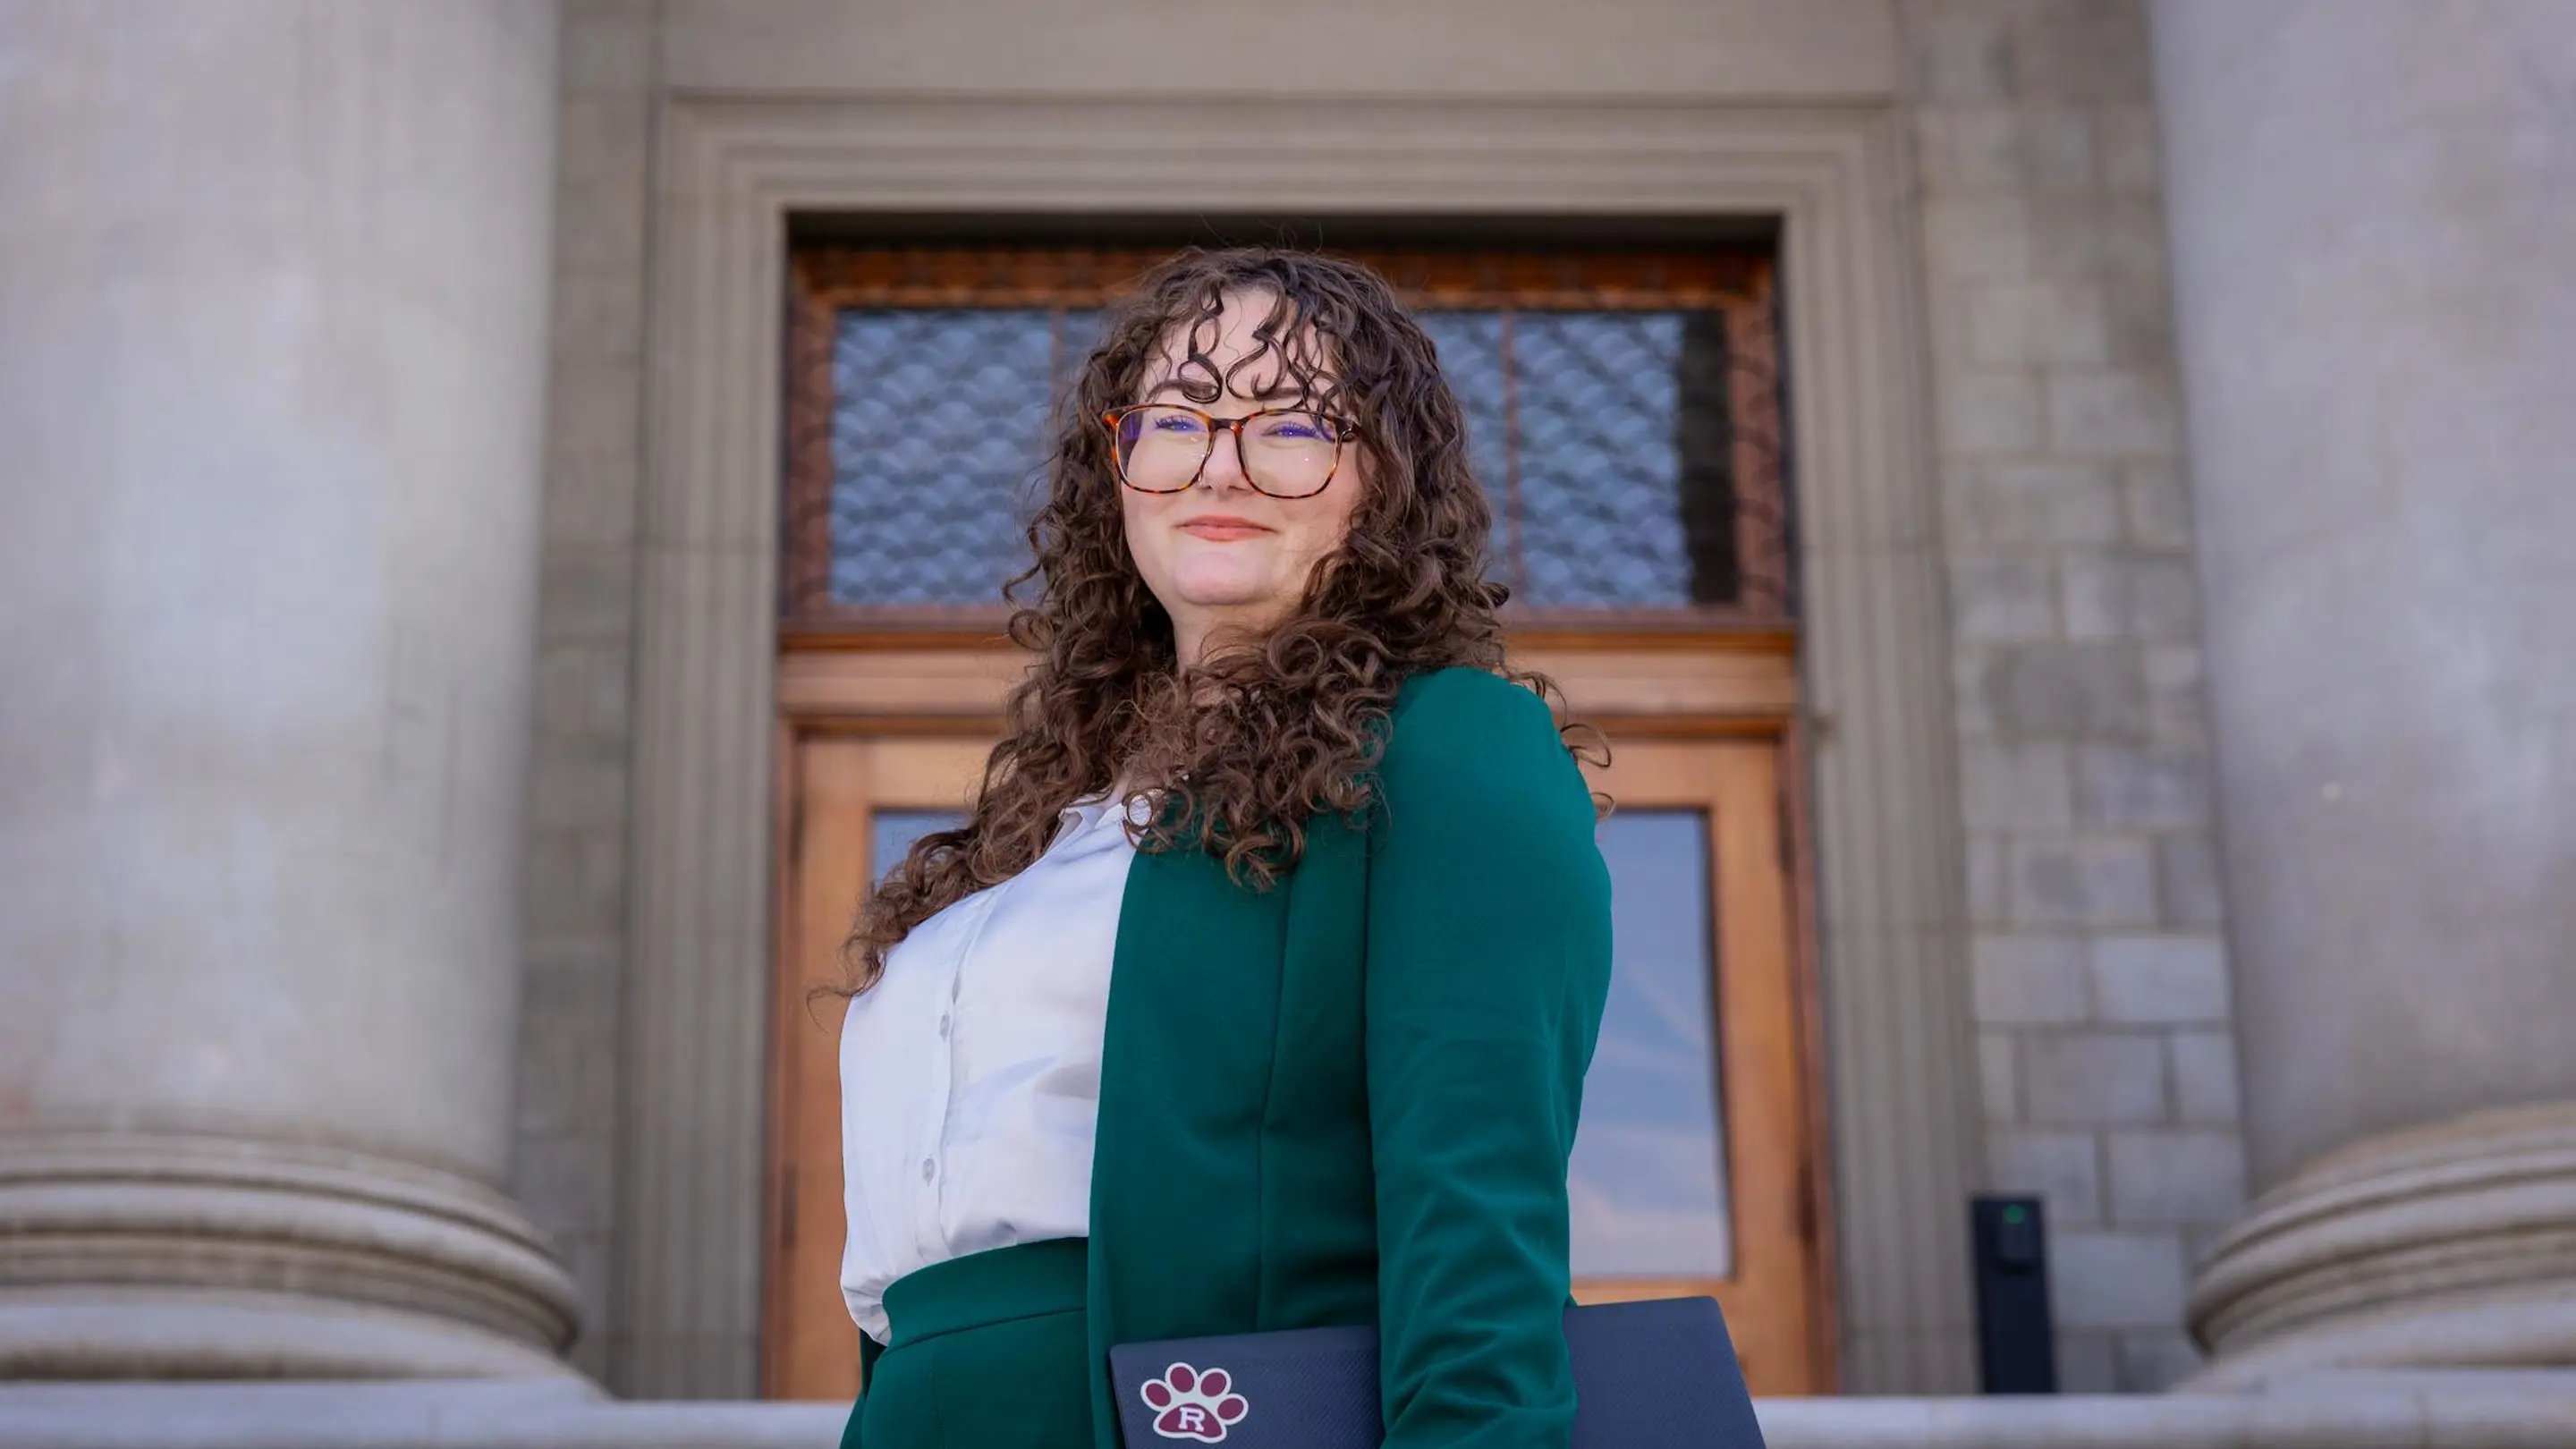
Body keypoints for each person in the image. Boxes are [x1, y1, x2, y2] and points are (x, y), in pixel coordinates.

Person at [831, 246, 1614, 1449]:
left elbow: (1477, 1210)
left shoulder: (1447, 745)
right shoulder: (1044, 826)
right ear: (1119, 464)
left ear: (1382, 483)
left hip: (1183, 1418)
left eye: (1293, 424)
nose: (1221, 461)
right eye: (1178, 416)